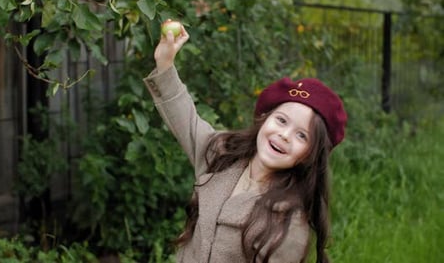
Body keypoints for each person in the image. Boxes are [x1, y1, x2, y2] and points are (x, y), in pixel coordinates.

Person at [143, 25, 347, 263]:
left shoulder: (288, 225)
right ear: (264, 119)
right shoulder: (222, 155)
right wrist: (165, 64)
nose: (284, 135)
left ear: (309, 155)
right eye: (281, 120)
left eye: (302, 135)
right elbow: (185, 119)